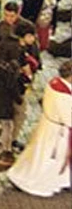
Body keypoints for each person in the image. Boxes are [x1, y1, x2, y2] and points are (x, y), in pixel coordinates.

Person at [7, 59, 72, 197]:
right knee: (46, 159)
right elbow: (68, 117)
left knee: (40, 154)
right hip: (56, 132)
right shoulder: (62, 93)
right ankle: (34, 181)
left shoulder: (56, 83)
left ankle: (61, 181)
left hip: (50, 126)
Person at [0, 24, 37, 164]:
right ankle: (6, 152)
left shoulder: (6, 45)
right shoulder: (15, 54)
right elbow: (13, 83)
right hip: (5, 98)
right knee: (7, 125)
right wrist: (18, 96)